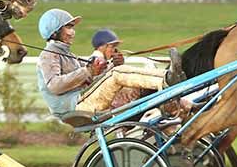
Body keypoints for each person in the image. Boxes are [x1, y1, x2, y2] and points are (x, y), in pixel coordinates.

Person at [36, 8, 183, 118]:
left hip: (81, 99)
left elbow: (93, 78)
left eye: (72, 27)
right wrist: (88, 71)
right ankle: (167, 79)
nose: (73, 32)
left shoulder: (68, 55)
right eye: (68, 27)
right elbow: (54, 86)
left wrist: (112, 64)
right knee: (116, 74)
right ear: (54, 32)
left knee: (130, 83)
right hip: (73, 105)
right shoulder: (48, 55)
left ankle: (166, 95)